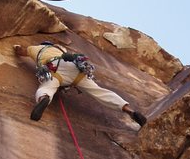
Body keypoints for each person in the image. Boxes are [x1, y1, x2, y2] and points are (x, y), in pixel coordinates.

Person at [13, 41, 147, 126]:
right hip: (72, 67)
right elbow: (67, 56)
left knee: (46, 88)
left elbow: (21, 51)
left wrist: (16, 47)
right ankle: (129, 110)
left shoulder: (36, 48)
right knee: (99, 92)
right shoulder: (59, 48)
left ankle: (44, 99)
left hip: (54, 70)